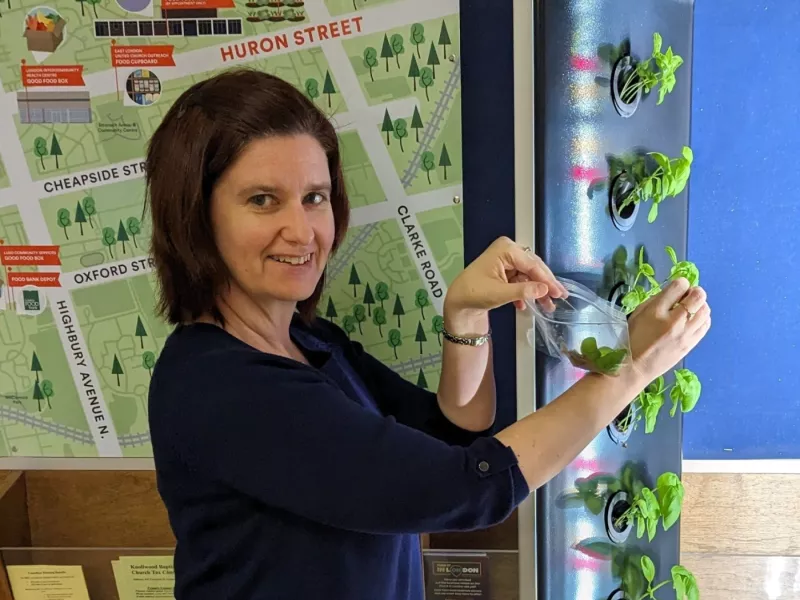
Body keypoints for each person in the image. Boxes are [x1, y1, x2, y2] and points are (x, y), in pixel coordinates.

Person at [144, 68, 710, 600]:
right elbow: (462, 488)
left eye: (315, 197)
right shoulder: (217, 386)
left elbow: (452, 436)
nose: (303, 230)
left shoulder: (313, 343)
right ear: (196, 216)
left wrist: (464, 314)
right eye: (262, 200)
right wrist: (627, 370)